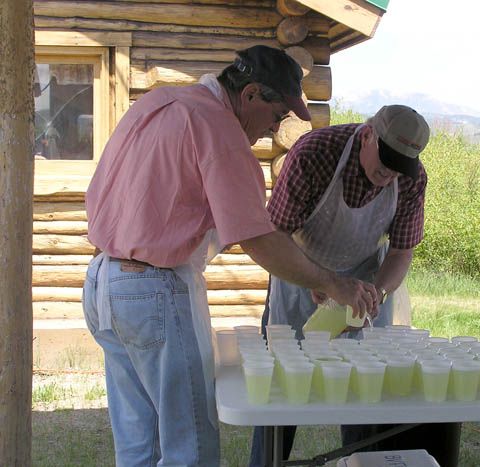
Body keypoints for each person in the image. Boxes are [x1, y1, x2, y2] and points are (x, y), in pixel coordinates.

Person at [82, 45, 378, 467]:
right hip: (153, 291)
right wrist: (331, 282)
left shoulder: (160, 101)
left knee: (139, 447)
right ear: (251, 94)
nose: (273, 128)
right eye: (276, 116)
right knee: (191, 451)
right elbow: (257, 238)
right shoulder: (218, 128)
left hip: (101, 284)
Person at [249, 105, 461, 467]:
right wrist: (322, 280)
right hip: (298, 272)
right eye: (383, 163)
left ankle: (362, 461)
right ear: (366, 136)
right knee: (282, 389)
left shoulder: (411, 178)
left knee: (365, 391)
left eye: (398, 168)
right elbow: (275, 236)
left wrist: (377, 293)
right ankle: (266, 463)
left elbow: (402, 251)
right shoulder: (314, 154)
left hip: (365, 281)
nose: (388, 175)